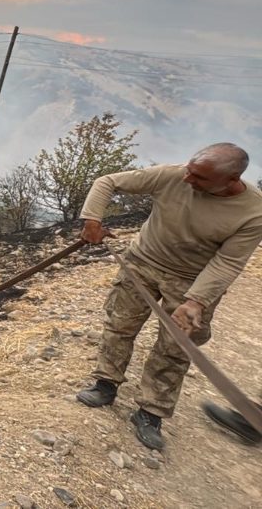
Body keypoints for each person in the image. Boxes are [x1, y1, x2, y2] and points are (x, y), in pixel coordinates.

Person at [75, 143, 262, 450]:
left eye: (199, 177)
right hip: (141, 264)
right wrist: (92, 220)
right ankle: (105, 384)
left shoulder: (254, 212)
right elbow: (107, 181)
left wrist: (196, 302)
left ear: (231, 181)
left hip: (192, 281)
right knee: (119, 327)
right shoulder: (172, 175)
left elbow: (228, 262)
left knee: (175, 348)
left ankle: (151, 413)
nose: (188, 179)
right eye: (190, 169)